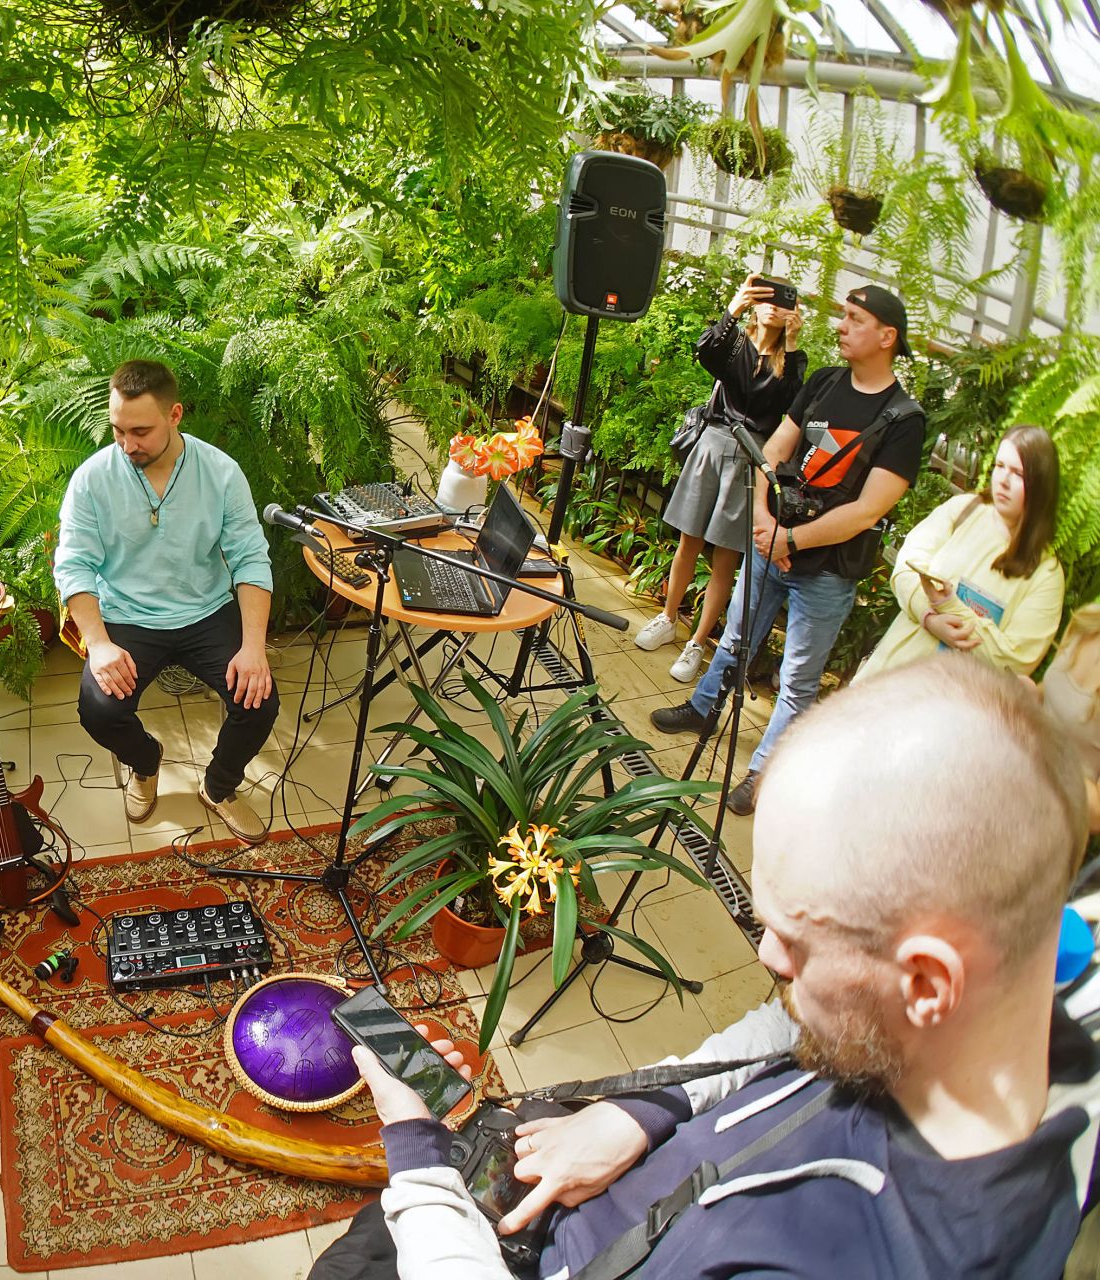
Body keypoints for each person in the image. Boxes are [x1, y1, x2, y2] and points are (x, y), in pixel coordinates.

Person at [314, 656, 1095, 1279]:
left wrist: (415, 1153)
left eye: (795, 941)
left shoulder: (866, 1254)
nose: (767, 958)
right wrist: (647, 1111)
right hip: (583, 1188)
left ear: (926, 983)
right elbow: (786, 1032)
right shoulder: (983, 1006)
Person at [651, 285, 927, 816]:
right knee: (735, 638)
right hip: (771, 541)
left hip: (826, 570)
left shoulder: (903, 420)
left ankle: (764, 772)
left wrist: (791, 540)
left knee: (798, 680)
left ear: (887, 336)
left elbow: (867, 510)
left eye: (855, 319)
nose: (841, 326)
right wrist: (763, 522)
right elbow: (774, 449)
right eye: (844, 316)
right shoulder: (825, 383)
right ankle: (703, 709)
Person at [54, 360, 277, 843]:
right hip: (126, 614)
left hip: (206, 609)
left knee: (259, 701)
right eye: (118, 430)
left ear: (175, 415)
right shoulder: (92, 479)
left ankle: (218, 788)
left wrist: (253, 647)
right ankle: (146, 761)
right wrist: (99, 644)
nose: (127, 444)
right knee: (99, 710)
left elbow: (251, 560)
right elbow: (73, 566)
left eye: (140, 431)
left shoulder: (220, 472)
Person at [635, 274, 806, 682]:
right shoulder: (736, 344)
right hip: (712, 445)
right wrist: (735, 306)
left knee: (725, 558)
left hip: (752, 457)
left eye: (782, 302)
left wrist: (793, 344)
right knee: (688, 543)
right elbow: (706, 351)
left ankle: (697, 642)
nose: (772, 306)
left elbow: (793, 402)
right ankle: (667, 618)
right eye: (765, 297)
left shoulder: (789, 361)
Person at [857, 424, 1064, 681]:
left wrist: (950, 607)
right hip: (883, 680)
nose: (1004, 481)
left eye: (1018, 473)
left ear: (1040, 484)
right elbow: (906, 569)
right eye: (1000, 466)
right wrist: (929, 617)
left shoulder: (1046, 574)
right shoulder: (964, 509)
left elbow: (1014, 662)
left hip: (949, 700)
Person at [1041, 600, 1100, 835]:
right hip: (1011, 776)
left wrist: (1043, 752)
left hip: (1054, 824)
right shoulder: (1087, 621)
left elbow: (1096, 816)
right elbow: (1051, 694)